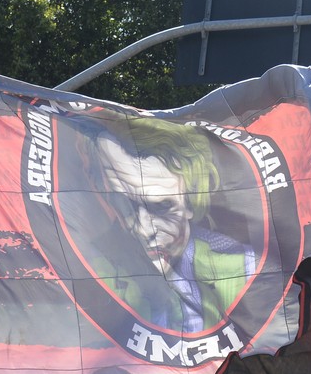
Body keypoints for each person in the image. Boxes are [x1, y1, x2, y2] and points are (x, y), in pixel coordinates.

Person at [93, 120, 256, 333]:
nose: (143, 229)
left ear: (190, 201)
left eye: (161, 207)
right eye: (126, 205)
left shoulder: (242, 266)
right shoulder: (96, 264)